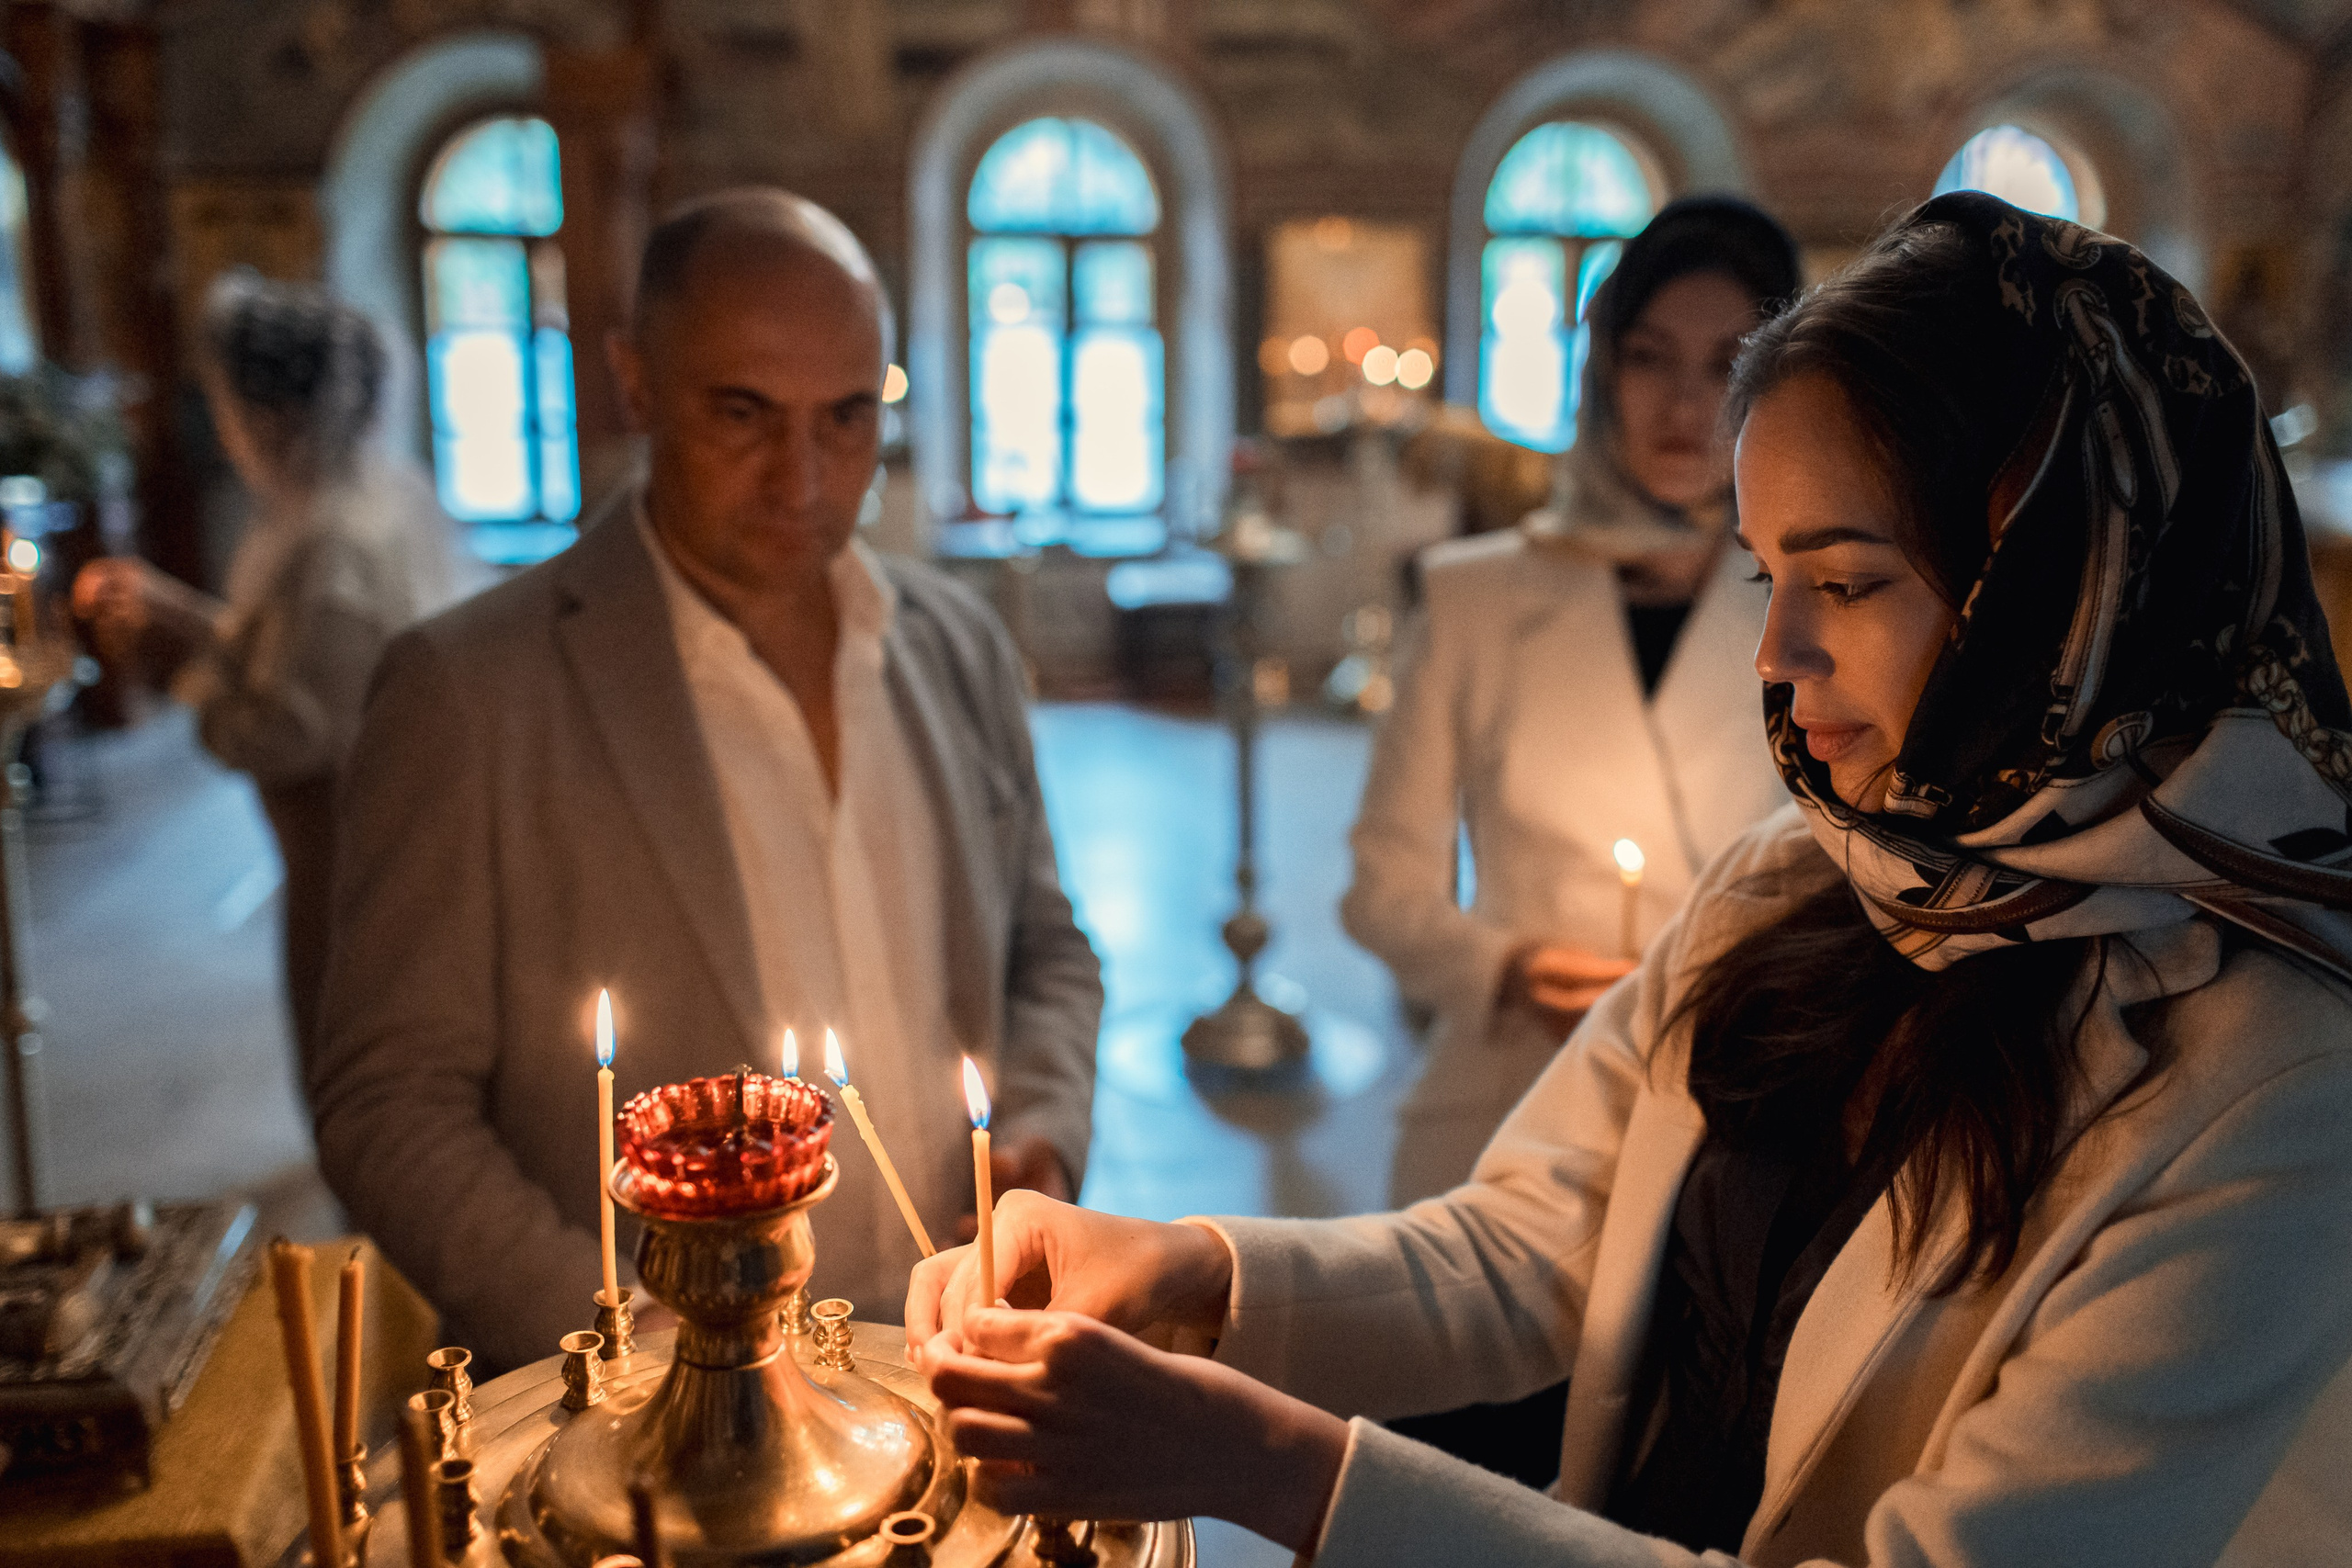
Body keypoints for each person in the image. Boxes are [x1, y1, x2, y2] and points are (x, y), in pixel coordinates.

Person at [905, 193, 2352, 1566]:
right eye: (1760, 577)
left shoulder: (2274, 1079)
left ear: (2064, 581)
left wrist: (1272, 1466)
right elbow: (1536, 1243)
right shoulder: (1805, 875)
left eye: (1843, 580)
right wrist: (1188, 1265)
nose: (1776, 660)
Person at [310, 189, 1102, 1372]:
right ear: (636, 382)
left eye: (846, 419)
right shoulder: (467, 690)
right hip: (659, 1422)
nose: (804, 481)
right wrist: (627, 1345)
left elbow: (1046, 949)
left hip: (951, 1360)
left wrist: (1037, 1127)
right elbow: (389, 1104)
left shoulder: (955, 644)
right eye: (744, 414)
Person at [1347, 197, 1800, 1208]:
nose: (1683, 405)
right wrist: (1505, 968)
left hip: (1735, 1112)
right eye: (1649, 356)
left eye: (1727, 362)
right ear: (1601, 371)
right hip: (1508, 1106)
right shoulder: (1475, 595)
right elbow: (1382, 894)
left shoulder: (1813, 598)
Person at [73, 273, 480, 1073]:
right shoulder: (360, 502)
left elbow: (287, 732)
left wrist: (180, 665)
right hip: (357, 843)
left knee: (354, 1062)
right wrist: (181, 613)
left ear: (272, 412)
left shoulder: (334, 541)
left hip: (347, 859)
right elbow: (297, 653)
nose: (222, 428)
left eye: (224, 404)